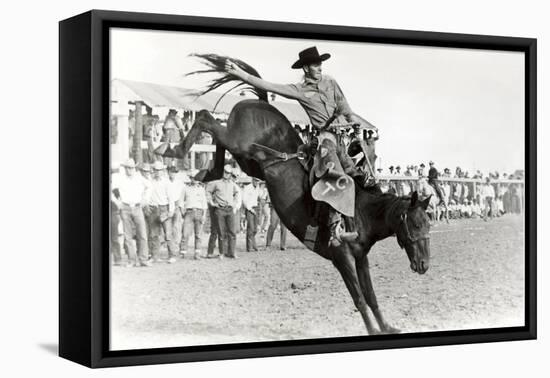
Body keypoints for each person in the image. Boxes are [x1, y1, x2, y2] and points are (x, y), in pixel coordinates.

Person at [225, 46, 376, 247]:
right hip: (325, 141)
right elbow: (268, 85)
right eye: (315, 64)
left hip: (342, 139)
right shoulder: (300, 90)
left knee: (360, 176)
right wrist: (240, 74)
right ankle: (334, 229)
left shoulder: (330, 82)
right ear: (306, 68)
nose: (320, 67)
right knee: (337, 178)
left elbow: (344, 107)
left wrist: (353, 120)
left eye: (320, 63)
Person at [112, 159, 151, 267]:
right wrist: (117, 202)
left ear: (135, 168)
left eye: (132, 168)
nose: (130, 170)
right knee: (128, 235)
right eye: (128, 168)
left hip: (137, 207)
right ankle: (131, 260)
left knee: (142, 234)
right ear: (124, 169)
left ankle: (143, 259)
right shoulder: (120, 179)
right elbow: (111, 190)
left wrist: (145, 199)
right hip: (125, 207)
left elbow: (149, 187)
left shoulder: (139, 178)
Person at [206, 165, 242, 258]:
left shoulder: (232, 184)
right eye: (225, 172)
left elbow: (237, 192)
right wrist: (212, 202)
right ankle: (222, 253)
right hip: (220, 209)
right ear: (223, 172)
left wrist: (234, 202)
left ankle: (232, 252)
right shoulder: (216, 183)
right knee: (221, 233)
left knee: (232, 232)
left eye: (229, 173)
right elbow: (208, 191)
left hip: (229, 209)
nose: (227, 174)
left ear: (230, 174)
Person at [149, 161, 178, 263]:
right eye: (156, 170)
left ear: (162, 171)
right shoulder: (150, 181)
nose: (157, 172)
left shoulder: (166, 182)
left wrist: (171, 210)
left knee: (168, 233)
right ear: (154, 171)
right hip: (153, 208)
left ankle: (172, 255)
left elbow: (171, 197)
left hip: (164, 208)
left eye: (159, 170)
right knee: (154, 234)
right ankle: (155, 256)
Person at [179, 174, 208, 259]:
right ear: (190, 178)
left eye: (196, 178)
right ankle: (183, 252)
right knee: (185, 233)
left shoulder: (201, 189)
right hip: (189, 212)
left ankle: (197, 253)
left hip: (199, 211)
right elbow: (181, 201)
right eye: (193, 178)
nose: (194, 180)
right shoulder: (185, 188)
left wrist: (204, 215)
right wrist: (182, 212)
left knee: (198, 234)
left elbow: (204, 203)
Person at [242, 178, 262, 252]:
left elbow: (259, 197)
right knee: (250, 228)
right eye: (256, 181)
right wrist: (250, 208)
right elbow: (244, 199)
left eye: (258, 181)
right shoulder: (247, 188)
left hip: (256, 207)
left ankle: (253, 245)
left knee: (255, 229)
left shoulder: (257, 188)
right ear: (252, 180)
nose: (257, 182)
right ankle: (249, 247)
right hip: (249, 208)